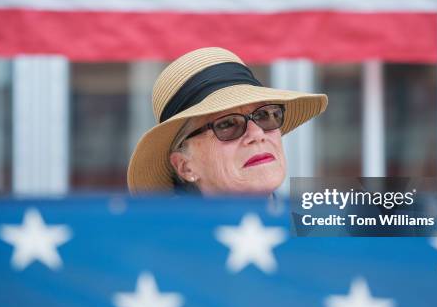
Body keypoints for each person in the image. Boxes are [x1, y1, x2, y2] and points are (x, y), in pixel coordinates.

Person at [127, 47, 328, 196]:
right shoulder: (167, 250)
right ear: (185, 166)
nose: (257, 135)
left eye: (264, 115)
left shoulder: (326, 232)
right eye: (227, 125)